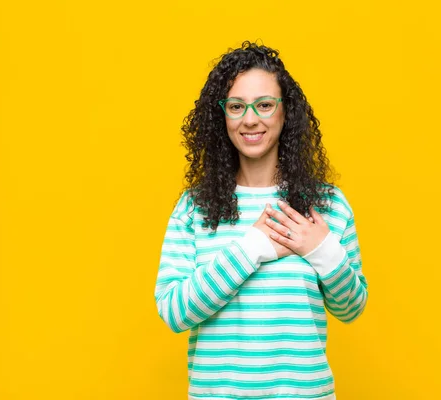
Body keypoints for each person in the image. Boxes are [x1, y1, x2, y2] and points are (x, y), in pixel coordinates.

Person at [154, 40, 368, 400]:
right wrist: (252, 247)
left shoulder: (327, 205)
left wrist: (322, 249)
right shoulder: (194, 208)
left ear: (287, 113)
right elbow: (174, 312)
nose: (250, 119)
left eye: (265, 105)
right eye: (236, 106)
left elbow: (351, 308)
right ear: (221, 116)